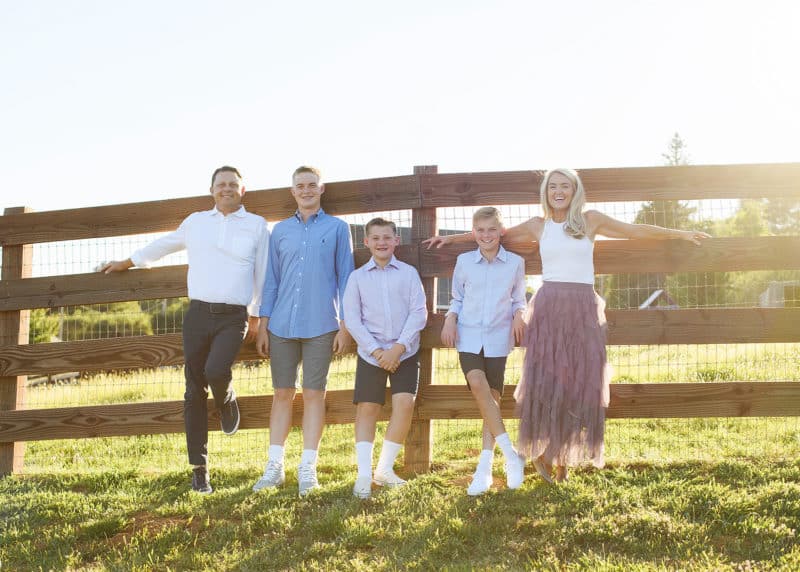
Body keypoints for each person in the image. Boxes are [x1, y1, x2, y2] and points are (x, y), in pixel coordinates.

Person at [425, 168, 710, 483]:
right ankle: (548, 458)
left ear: (575, 190)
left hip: (583, 306)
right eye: (553, 186)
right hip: (550, 307)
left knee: (581, 383)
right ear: (546, 191)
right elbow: (493, 234)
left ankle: (555, 457)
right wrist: (451, 238)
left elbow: (634, 230)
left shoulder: (591, 220)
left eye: (565, 186)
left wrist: (679, 233)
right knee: (550, 382)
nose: (558, 191)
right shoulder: (539, 225)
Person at [100, 166, 269, 493]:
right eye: (221, 185)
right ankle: (199, 470)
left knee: (217, 371)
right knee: (193, 390)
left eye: (233, 185)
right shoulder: (196, 222)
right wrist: (129, 262)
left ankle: (227, 396)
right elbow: (165, 244)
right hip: (197, 315)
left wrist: (258, 317)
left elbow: (262, 274)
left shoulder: (256, 226)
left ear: (243, 190)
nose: (227, 189)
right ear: (212, 190)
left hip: (234, 316)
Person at [252, 166, 354, 497]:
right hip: (281, 324)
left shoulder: (338, 229)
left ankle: (308, 468)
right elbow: (271, 281)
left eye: (312, 185)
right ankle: (274, 467)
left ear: (321, 189)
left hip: (322, 324)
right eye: (300, 186)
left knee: (314, 394)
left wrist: (345, 324)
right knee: (282, 394)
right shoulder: (279, 232)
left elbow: (346, 278)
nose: (306, 190)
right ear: (292, 192)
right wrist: (264, 323)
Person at [439, 207, 527, 496]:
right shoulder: (464, 261)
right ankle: (511, 454)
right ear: (473, 231)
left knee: (493, 402)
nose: (486, 235)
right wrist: (450, 319)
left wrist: (519, 315)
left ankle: (485, 468)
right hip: (468, 335)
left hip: (499, 338)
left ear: (501, 231)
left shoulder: (515, 263)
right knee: (478, 385)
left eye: (492, 230)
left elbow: (518, 299)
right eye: (480, 230)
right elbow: (457, 298)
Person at [342, 217, 427, 499]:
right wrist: (378, 352)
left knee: (405, 403)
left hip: (405, 351)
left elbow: (419, 312)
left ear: (396, 241)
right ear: (366, 242)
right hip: (371, 353)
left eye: (387, 237)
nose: (381, 242)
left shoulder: (408, 273)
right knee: (367, 407)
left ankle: (384, 470)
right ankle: (364, 475)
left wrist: (398, 349)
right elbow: (352, 319)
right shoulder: (357, 278)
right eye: (375, 238)